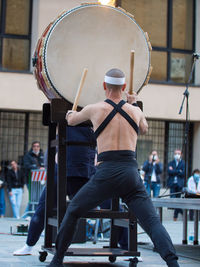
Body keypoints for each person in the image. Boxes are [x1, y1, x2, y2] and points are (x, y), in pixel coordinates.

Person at [48, 68, 180, 267]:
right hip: (130, 174)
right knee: (152, 222)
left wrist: (69, 113)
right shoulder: (135, 111)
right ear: (124, 87)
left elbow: (72, 120)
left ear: (104, 86)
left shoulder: (95, 109)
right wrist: (133, 103)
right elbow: (144, 128)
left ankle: (57, 260)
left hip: (106, 173)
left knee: (74, 210)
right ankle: (173, 263)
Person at [13, 124, 96, 255]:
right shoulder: (66, 117)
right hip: (62, 168)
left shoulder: (90, 115)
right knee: (43, 208)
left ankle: (126, 246)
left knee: (106, 205)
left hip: (84, 169)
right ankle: (29, 245)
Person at [167, 149, 185, 221]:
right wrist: (178, 171)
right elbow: (169, 172)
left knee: (178, 200)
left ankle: (175, 216)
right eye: (176, 153)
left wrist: (174, 170)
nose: (177, 154)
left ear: (181, 155)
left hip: (179, 184)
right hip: (172, 183)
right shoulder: (171, 163)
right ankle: (181, 211)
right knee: (173, 199)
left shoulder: (183, 163)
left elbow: (183, 173)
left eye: (178, 153)